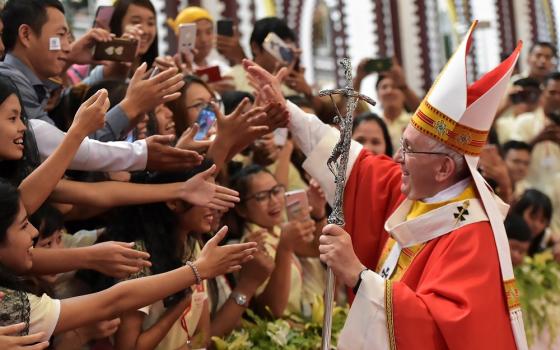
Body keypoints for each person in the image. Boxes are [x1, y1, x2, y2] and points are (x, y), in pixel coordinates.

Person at [244, 21, 528, 349]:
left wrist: (358, 275)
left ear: (444, 168)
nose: (397, 156)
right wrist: (289, 112)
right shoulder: (427, 192)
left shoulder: (471, 234)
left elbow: (439, 330)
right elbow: (354, 161)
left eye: (408, 148)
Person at [0, 180, 256, 343]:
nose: (33, 233)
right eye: (23, 226)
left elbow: (201, 339)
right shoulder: (8, 305)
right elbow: (116, 304)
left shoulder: (193, 245)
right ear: (174, 203)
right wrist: (197, 273)